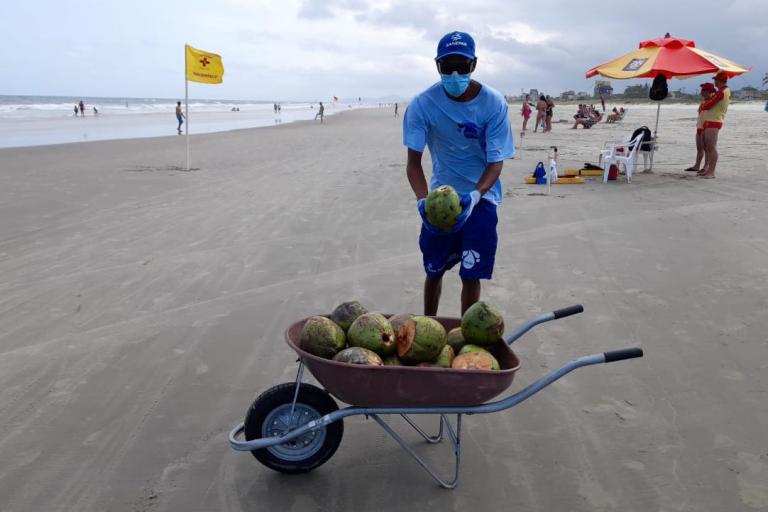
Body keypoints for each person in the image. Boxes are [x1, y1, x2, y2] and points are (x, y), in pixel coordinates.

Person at [403, 31, 514, 316]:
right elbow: (413, 162)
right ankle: (429, 322)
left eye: (461, 66)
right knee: (434, 269)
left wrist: (477, 195)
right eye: (447, 66)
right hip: (439, 199)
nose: (454, 73)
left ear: (473, 65)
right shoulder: (422, 104)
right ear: (437, 66)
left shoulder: (493, 104)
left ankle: (467, 333)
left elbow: (496, 160)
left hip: (483, 199)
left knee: (471, 272)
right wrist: (422, 200)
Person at [697, 72, 731, 178]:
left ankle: (711, 172)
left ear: (719, 81)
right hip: (711, 120)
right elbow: (708, 104)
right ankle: (708, 170)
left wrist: (704, 106)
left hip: (714, 121)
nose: (714, 82)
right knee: (708, 147)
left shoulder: (722, 92)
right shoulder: (722, 91)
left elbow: (709, 105)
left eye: (715, 80)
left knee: (711, 147)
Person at [684, 83, 716, 173]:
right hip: (699, 127)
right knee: (699, 148)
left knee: (707, 148)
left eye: (704, 90)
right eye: (702, 90)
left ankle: (706, 166)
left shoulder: (712, 101)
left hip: (706, 127)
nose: (702, 92)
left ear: (709, 91)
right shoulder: (703, 102)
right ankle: (697, 165)